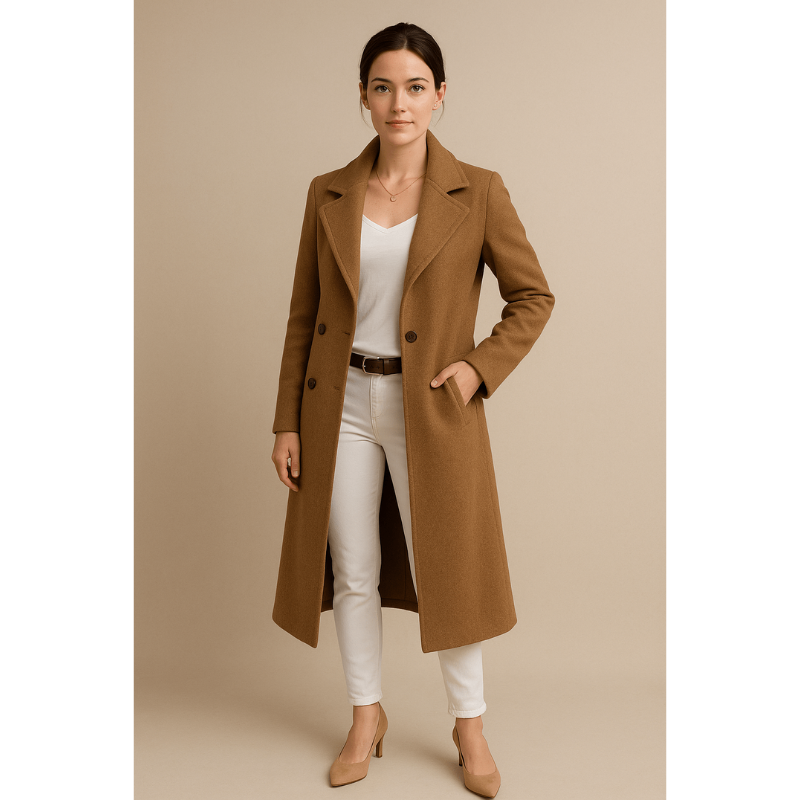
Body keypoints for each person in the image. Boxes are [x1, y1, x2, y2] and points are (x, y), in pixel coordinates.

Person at [270, 22, 555, 797]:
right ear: (363, 97)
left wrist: (477, 369)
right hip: (340, 404)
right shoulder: (328, 192)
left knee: (448, 571)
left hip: (430, 406)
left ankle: (470, 727)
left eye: (415, 87)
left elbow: (533, 296)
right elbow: (304, 316)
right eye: (383, 87)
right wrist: (287, 420)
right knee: (353, 568)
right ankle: (366, 716)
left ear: (440, 95)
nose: (400, 103)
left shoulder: (479, 190)